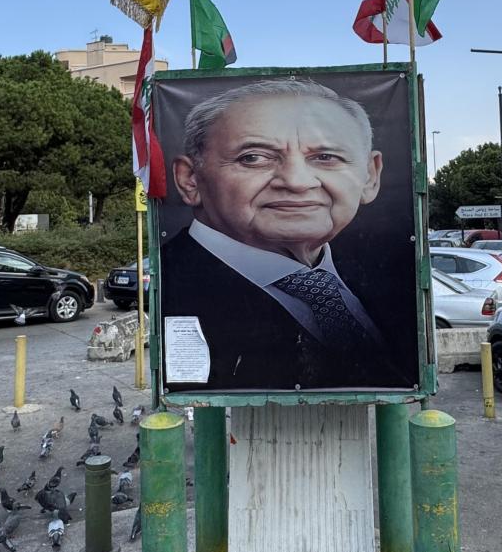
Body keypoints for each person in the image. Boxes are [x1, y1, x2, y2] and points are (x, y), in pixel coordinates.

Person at [159, 77, 416, 390]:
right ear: (190, 180)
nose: (296, 181)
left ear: (370, 176)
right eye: (253, 157)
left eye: (325, 157)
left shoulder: (394, 278)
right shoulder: (166, 285)